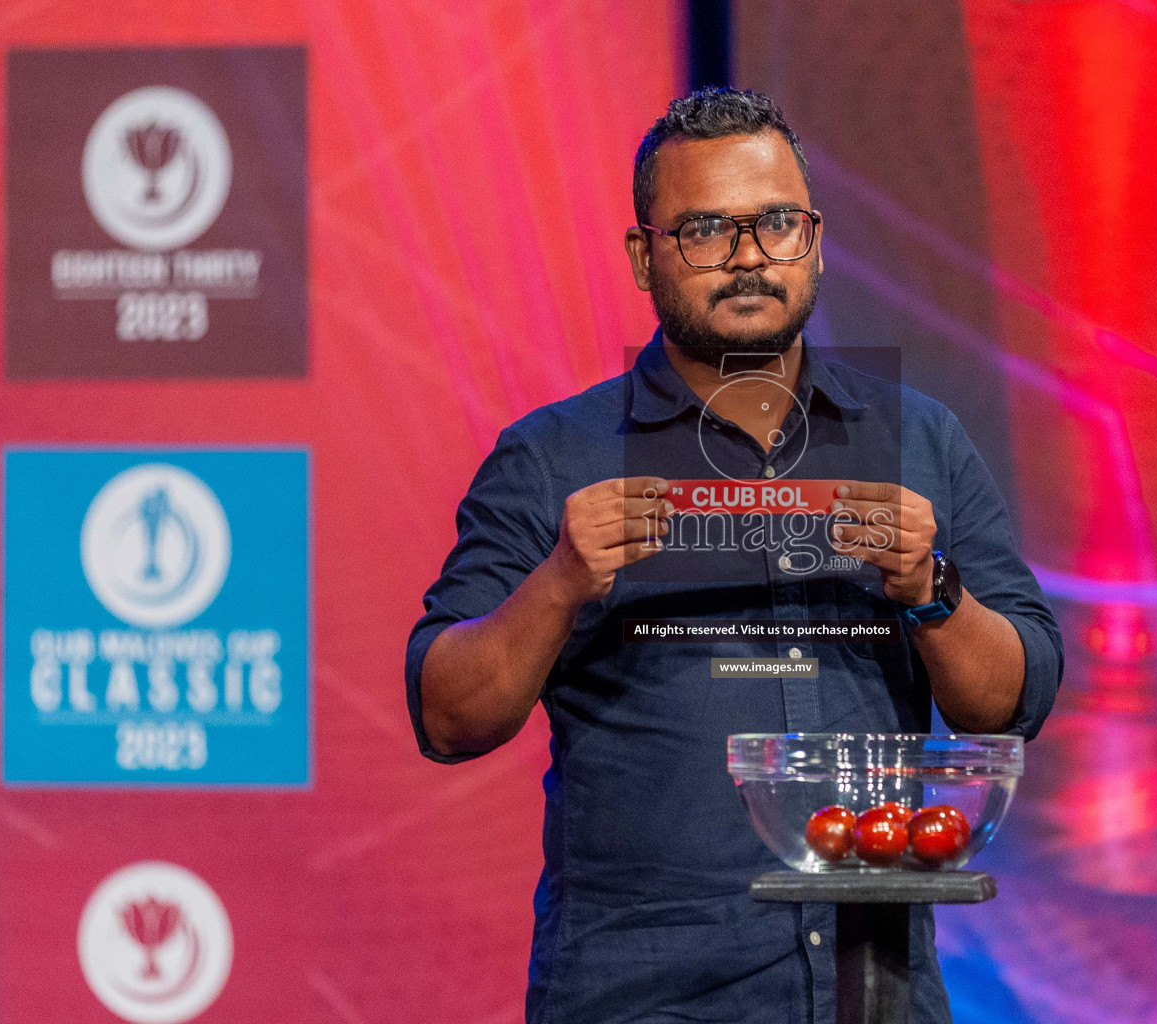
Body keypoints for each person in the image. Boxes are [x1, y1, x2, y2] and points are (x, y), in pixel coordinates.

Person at [405, 87, 1063, 1024]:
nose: (750, 256)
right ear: (645, 256)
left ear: (817, 240)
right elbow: (445, 715)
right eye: (708, 229)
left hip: (871, 992)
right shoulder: (553, 456)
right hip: (642, 999)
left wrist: (932, 590)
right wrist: (557, 585)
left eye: (777, 223)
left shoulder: (919, 438)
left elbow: (1016, 698)